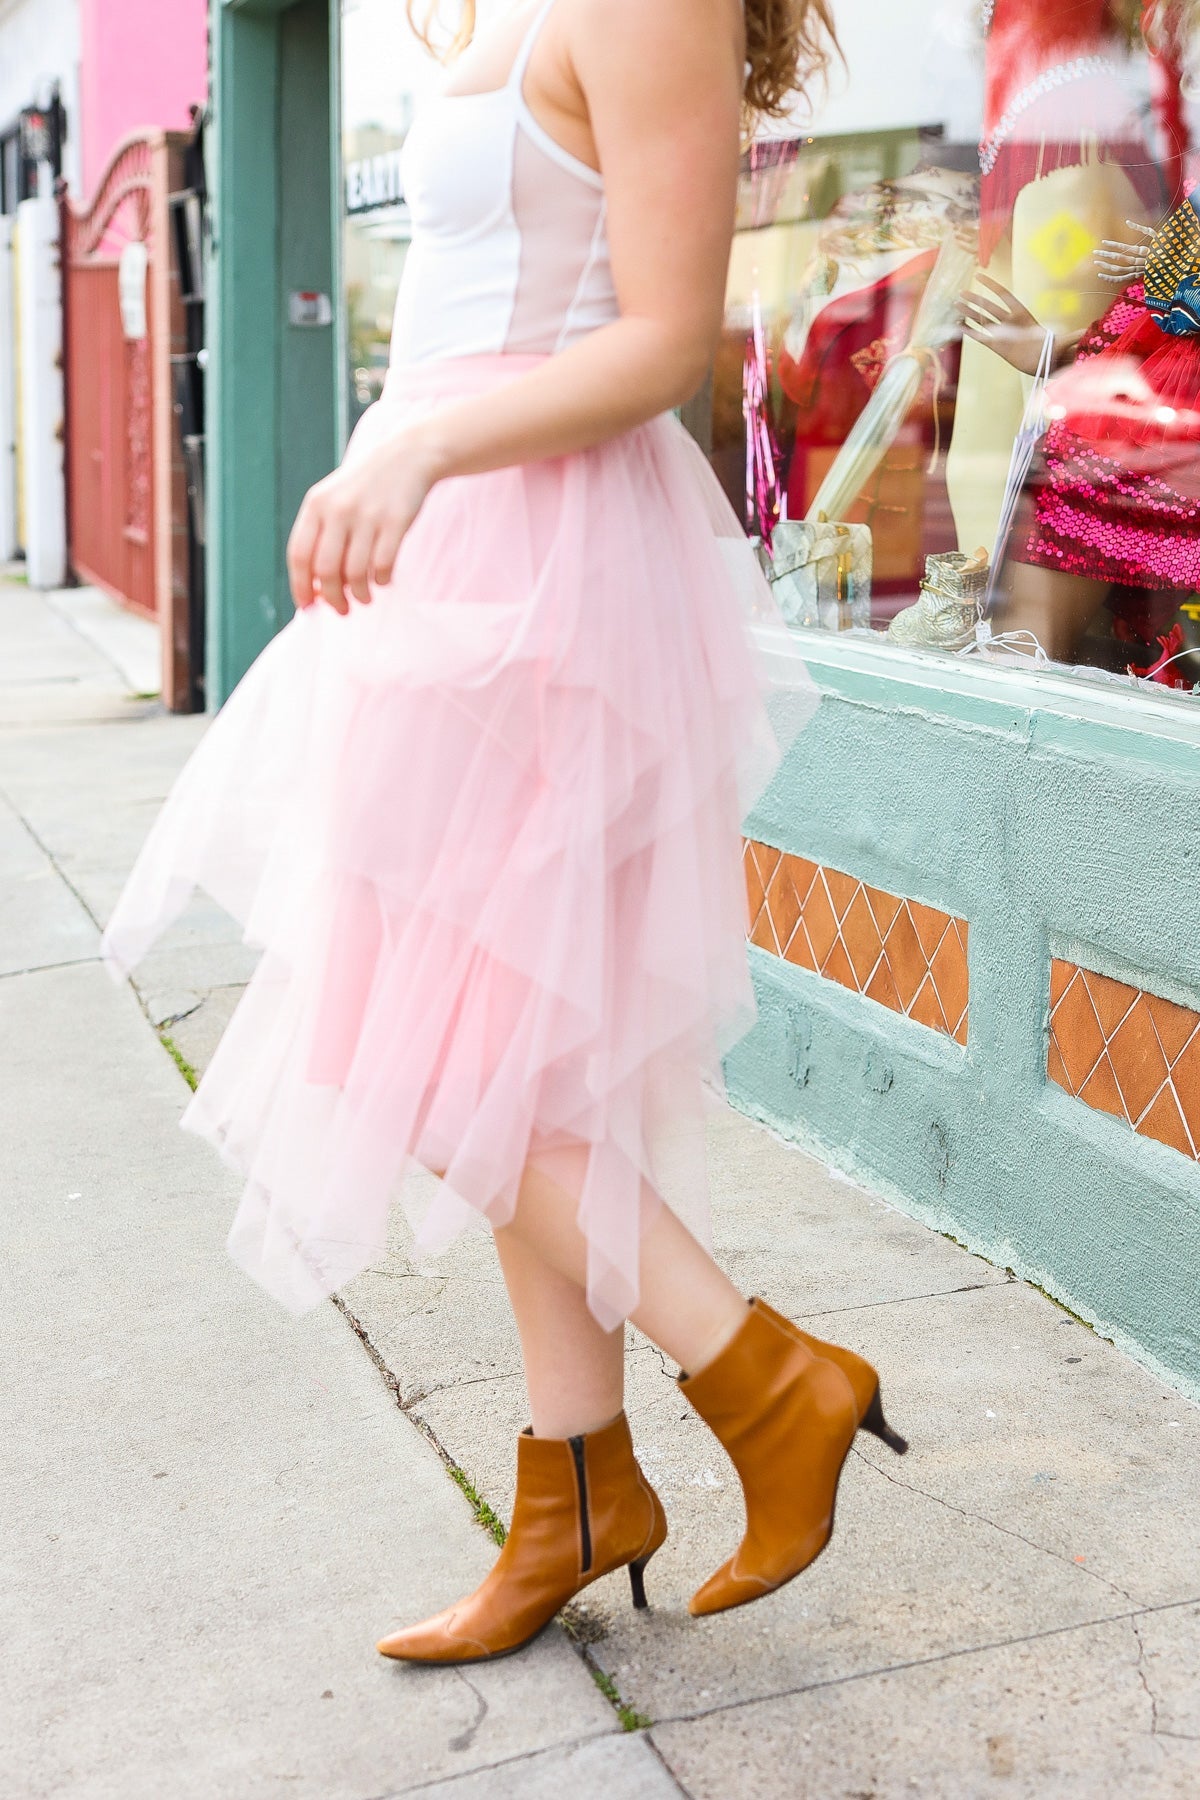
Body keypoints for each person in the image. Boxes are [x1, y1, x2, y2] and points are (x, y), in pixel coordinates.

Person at [101, 0, 906, 1666]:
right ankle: (579, 1490)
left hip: (538, 563)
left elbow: (667, 338)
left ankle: (767, 1378)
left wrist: (425, 448)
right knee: (505, 1053)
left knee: (402, 1044)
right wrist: (412, 457)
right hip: (456, 555)